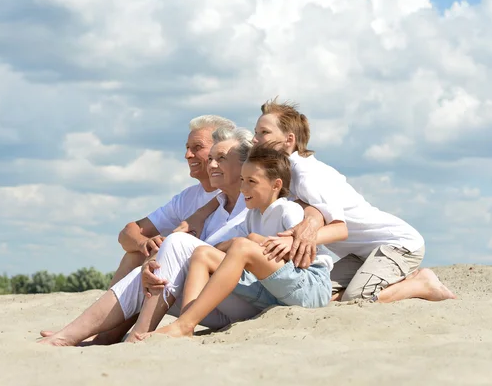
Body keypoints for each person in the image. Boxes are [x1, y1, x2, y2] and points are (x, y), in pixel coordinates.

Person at [38, 127, 264, 346]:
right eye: (212, 157)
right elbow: (132, 232)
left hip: (245, 300)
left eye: (221, 158)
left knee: (176, 243)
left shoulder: (257, 203)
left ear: (245, 165)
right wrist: (151, 263)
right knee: (146, 271)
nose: (212, 165)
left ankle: (138, 336)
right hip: (210, 301)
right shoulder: (214, 208)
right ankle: (78, 334)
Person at [253, 98, 455, 303]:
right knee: (315, 289)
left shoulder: (307, 174)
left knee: (356, 297)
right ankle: (383, 279)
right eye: (255, 132)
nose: (255, 139)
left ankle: (421, 283)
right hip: (361, 255)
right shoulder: (288, 174)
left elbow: (341, 230)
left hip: (397, 244)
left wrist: (293, 240)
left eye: (264, 132)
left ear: (289, 139)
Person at [140, 143, 344, 338]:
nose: (243, 188)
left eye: (251, 182)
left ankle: (184, 325)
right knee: (202, 254)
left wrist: (253, 242)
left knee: (242, 246)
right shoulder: (252, 216)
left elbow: (306, 259)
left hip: (310, 287)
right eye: (242, 180)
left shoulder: (288, 210)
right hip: (274, 290)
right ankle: (186, 322)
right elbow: (219, 248)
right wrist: (250, 240)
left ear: (276, 185)